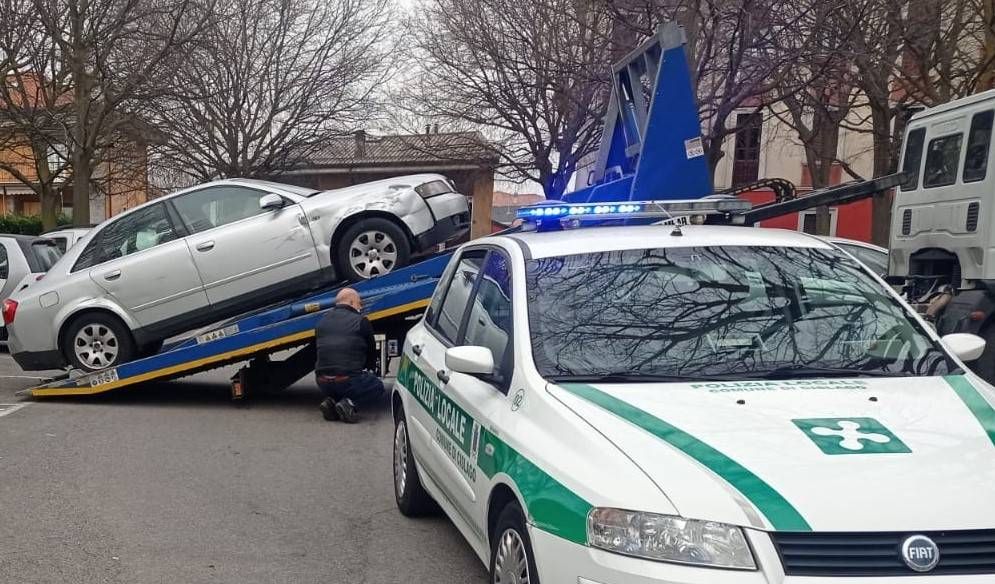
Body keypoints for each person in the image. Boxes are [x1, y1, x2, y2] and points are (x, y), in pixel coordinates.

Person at [314, 288, 384, 423]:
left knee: (341, 383)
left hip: (322, 380)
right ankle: (350, 404)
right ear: (351, 302)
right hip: (347, 379)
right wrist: (369, 369)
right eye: (359, 303)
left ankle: (331, 402)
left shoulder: (321, 322)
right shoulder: (361, 321)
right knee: (377, 387)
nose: (360, 306)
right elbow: (371, 351)